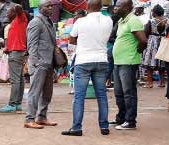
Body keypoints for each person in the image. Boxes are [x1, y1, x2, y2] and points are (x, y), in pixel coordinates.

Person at [62, 0, 113, 137]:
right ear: (101, 7)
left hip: (83, 60)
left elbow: (72, 39)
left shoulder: (80, 22)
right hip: (101, 59)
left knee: (79, 96)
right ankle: (104, 126)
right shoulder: (108, 21)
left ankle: (76, 127)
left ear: (86, 7)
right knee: (101, 95)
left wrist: (73, 53)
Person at [111, 0, 147, 130]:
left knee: (128, 92)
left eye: (118, 6)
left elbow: (143, 40)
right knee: (119, 92)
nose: (115, 8)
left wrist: (138, 51)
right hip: (119, 61)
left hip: (128, 61)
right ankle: (121, 118)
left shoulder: (133, 20)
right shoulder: (122, 21)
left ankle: (130, 121)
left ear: (126, 7)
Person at [24, 0, 58, 129]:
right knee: (35, 92)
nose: (50, 8)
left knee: (47, 92)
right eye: (47, 6)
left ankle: (42, 117)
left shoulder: (48, 22)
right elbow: (31, 44)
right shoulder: (36, 22)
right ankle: (29, 119)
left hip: (49, 62)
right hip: (40, 63)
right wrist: (35, 61)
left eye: (51, 6)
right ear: (40, 8)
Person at [0, 4, 28, 113]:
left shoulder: (20, 18)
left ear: (14, 13)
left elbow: (19, 8)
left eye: (8, 11)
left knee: (15, 79)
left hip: (16, 53)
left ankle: (12, 104)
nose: (6, 13)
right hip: (16, 51)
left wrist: (16, 7)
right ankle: (18, 104)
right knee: (19, 79)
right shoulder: (15, 22)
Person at [142, 6, 167, 88]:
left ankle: (149, 83)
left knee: (150, 62)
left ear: (154, 13)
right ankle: (162, 82)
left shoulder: (151, 21)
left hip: (152, 43)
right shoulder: (167, 21)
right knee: (161, 62)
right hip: (163, 42)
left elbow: (146, 32)